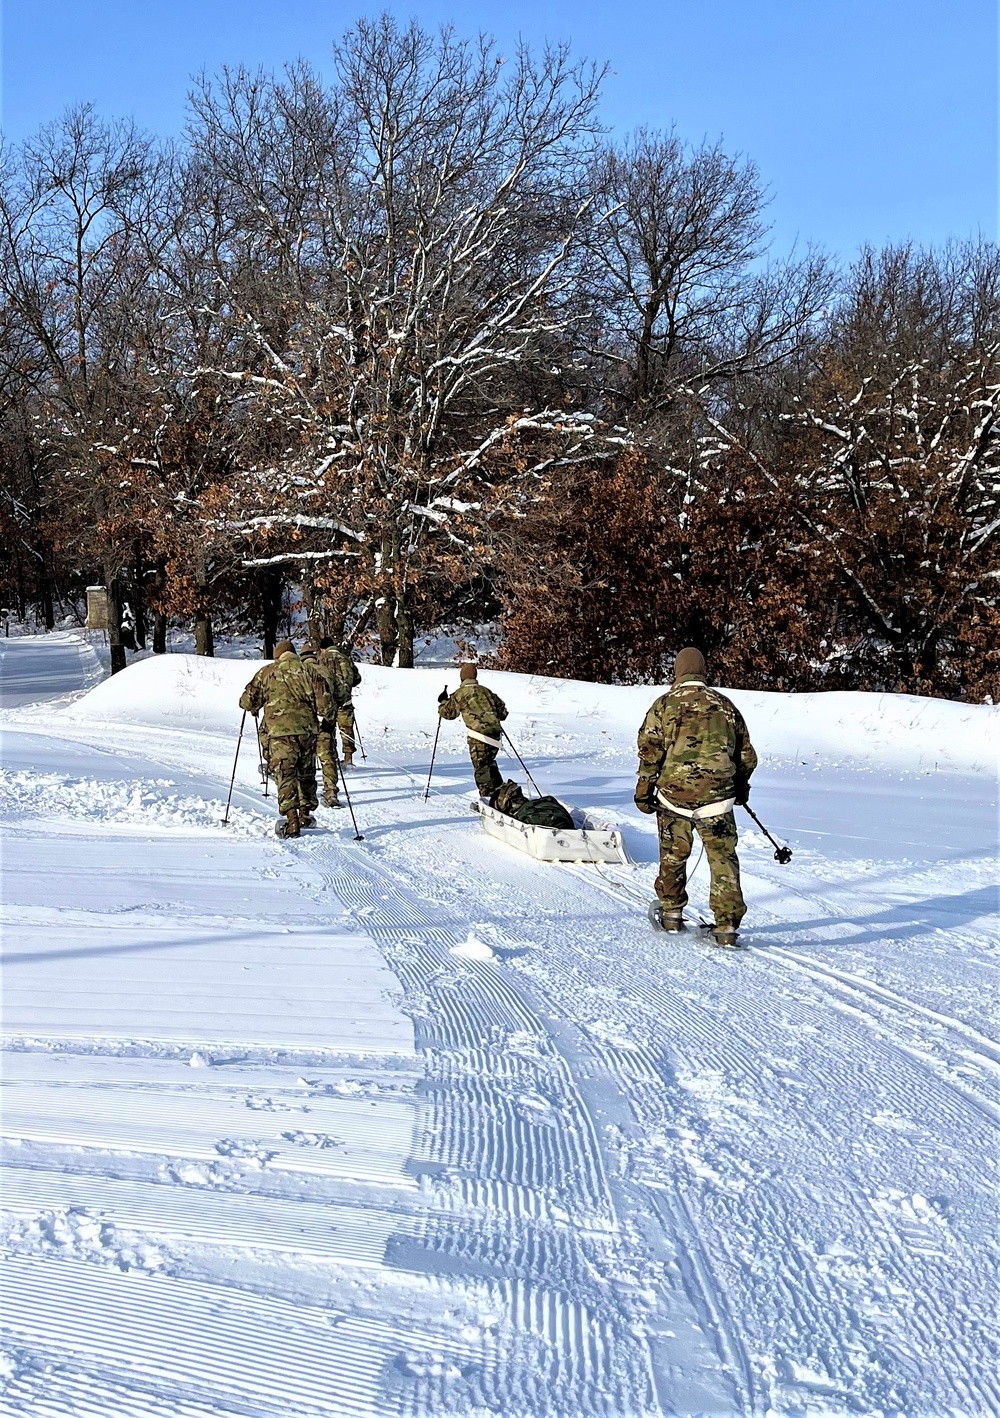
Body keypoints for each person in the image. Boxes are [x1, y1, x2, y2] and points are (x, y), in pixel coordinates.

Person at [634, 646, 758, 948]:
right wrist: (740, 789)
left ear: (677, 672)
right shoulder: (726, 706)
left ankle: (672, 913)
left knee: (674, 856)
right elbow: (746, 757)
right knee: (723, 860)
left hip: (673, 800)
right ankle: (727, 926)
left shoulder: (663, 706)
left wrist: (643, 791)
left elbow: (650, 752)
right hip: (718, 801)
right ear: (703, 671)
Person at [239, 640, 333, 838]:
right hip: (307, 732)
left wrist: (254, 706)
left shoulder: (266, 672)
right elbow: (326, 706)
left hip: (279, 734)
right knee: (306, 773)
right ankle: (305, 815)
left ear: (277, 656)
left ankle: (291, 821)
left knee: (286, 774)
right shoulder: (309, 671)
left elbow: (247, 701)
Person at [438, 664, 508, 799]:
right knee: (489, 762)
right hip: (494, 735)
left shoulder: (460, 694)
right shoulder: (487, 691)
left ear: (462, 677)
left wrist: (442, 702)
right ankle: (501, 794)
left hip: (478, 736)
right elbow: (503, 713)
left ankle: (488, 799)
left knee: (481, 768)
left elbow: (448, 714)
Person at [318, 638, 362, 765]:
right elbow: (357, 679)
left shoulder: (322, 660)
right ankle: (348, 758)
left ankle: (332, 758)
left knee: (329, 729)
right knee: (346, 730)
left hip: (329, 702)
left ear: (323, 648)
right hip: (346, 702)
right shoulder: (346, 658)